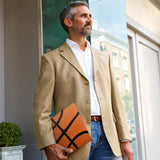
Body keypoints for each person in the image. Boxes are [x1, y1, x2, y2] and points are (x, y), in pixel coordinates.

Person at [33, 1, 134, 160]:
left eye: (90, 16)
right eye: (83, 16)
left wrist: (125, 138)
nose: (89, 19)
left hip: (108, 136)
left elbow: (116, 101)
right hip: (73, 137)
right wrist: (49, 144)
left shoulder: (103, 57)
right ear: (69, 22)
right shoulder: (51, 60)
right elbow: (41, 109)